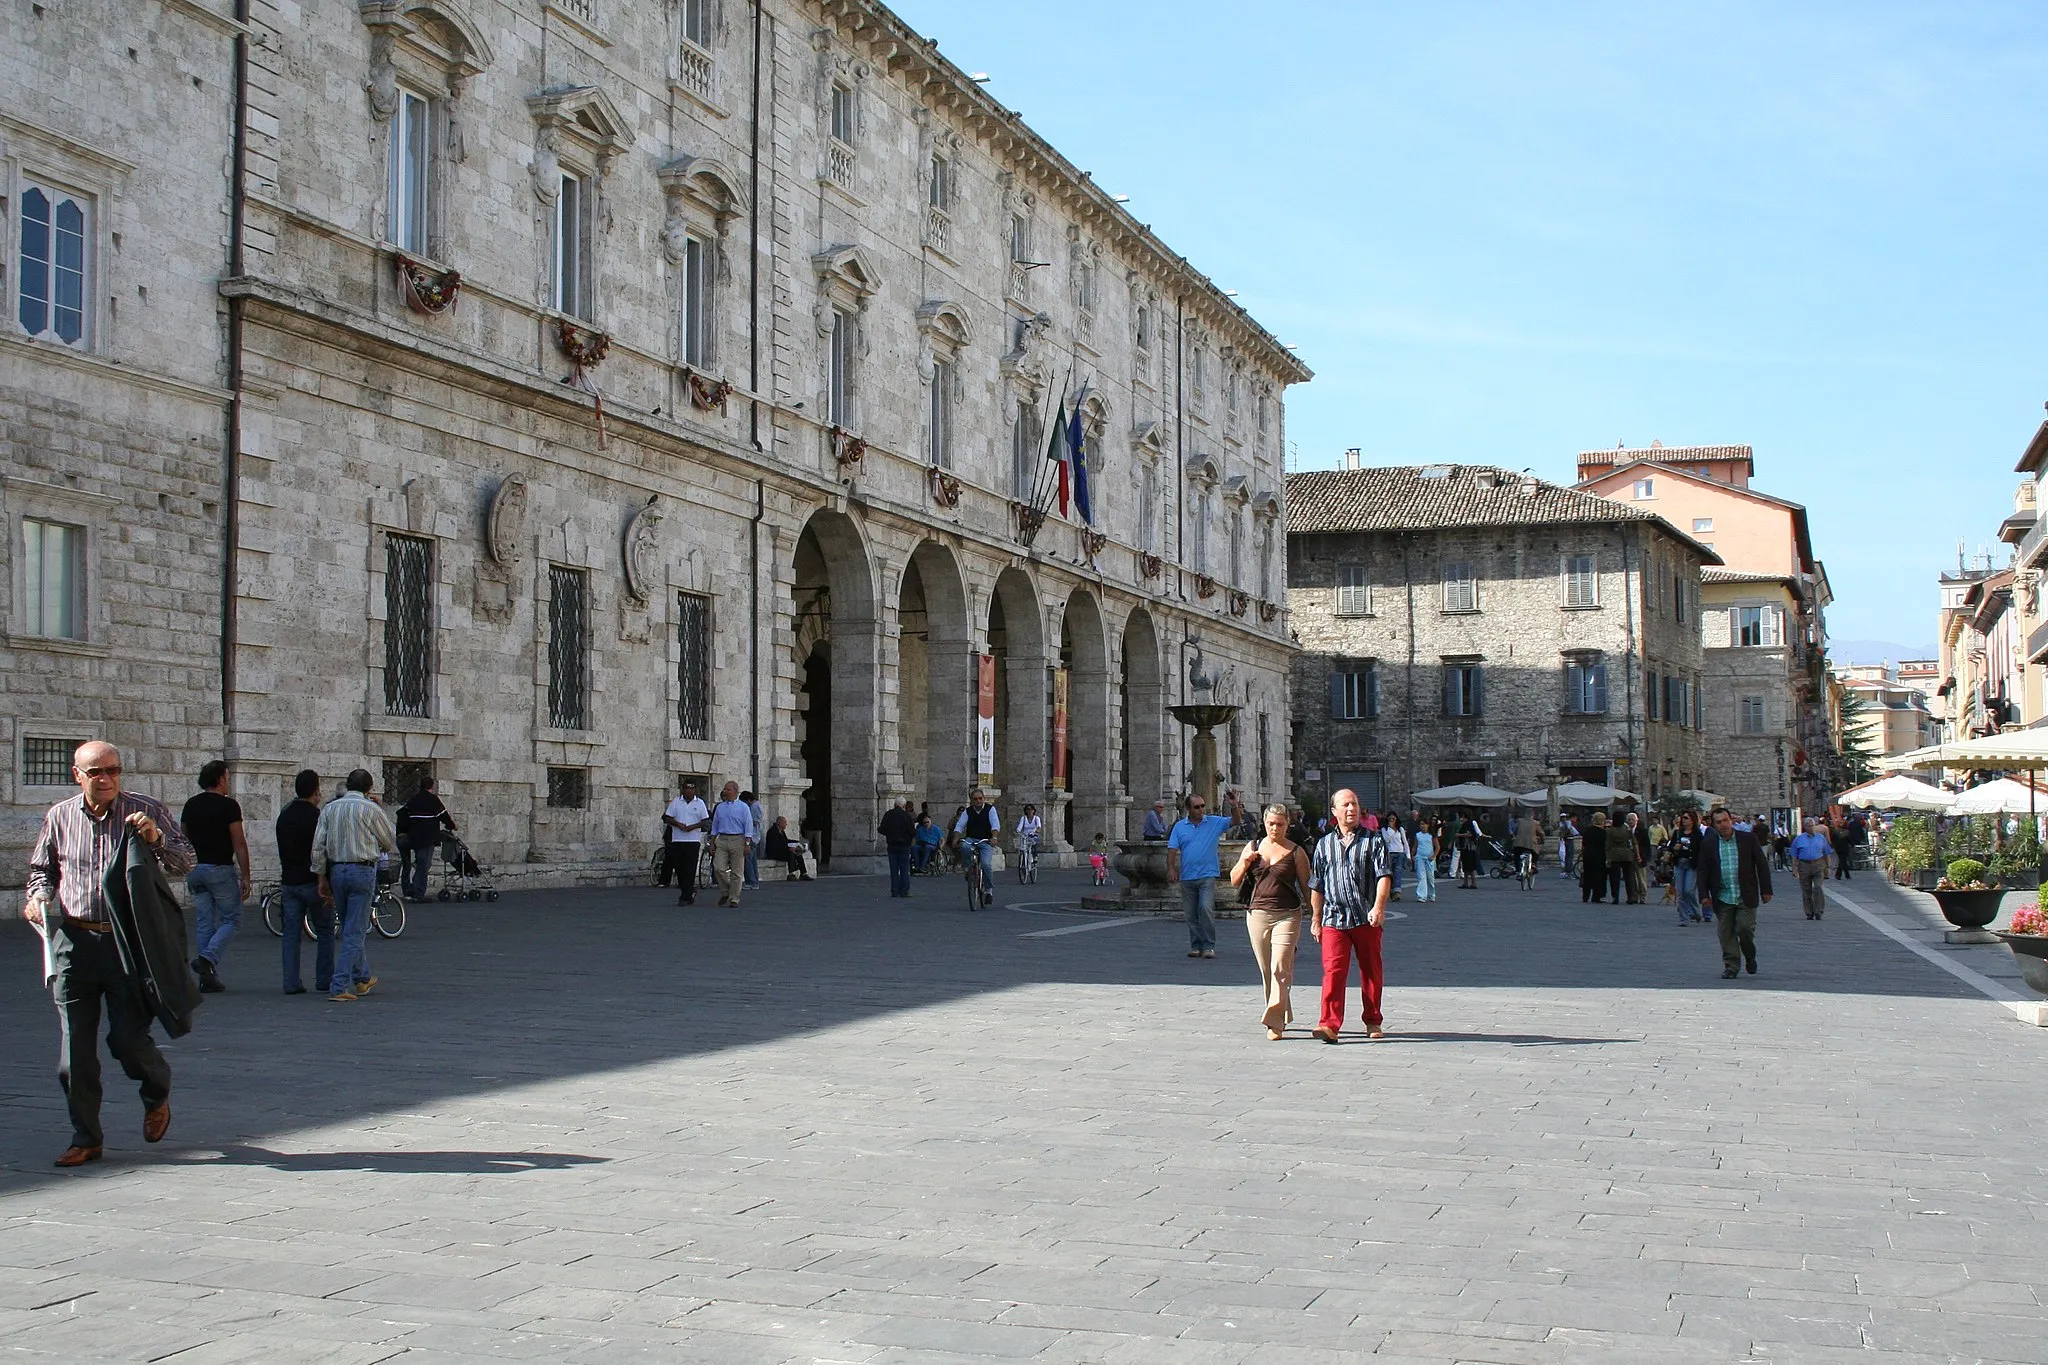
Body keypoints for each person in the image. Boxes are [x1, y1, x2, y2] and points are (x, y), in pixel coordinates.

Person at [24, 741, 195, 1167]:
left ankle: (156, 1091)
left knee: (127, 1040)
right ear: (76, 774)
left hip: (127, 944)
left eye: (113, 771)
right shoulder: (60, 817)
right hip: (74, 943)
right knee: (74, 1053)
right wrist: (39, 898)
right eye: (96, 772)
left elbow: (186, 861)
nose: (106, 780)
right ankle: (86, 1137)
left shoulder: (145, 810)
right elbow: (41, 871)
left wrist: (155, 840)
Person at [1308, 788, 1390, 1042]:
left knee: (1370, 970)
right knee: (1333, 970)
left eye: (1354, 803)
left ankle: (1373, 1020)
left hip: (1365, 917)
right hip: (1334, 918)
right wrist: (1315, 918)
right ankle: (1329, 1024)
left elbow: (1384, 876)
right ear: (1334, 812)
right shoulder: (1324, 844)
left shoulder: (1373, 841)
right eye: (1345, 805)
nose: (1351, 809)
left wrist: (1378, 907)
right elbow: (1317, 885)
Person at [311, 768, 396, 1002]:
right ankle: (339, 985)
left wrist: (320, 876)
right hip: (362, 869)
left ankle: (362, 977)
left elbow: (318, 846)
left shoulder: (330, 808)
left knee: (350, 925)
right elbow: (388, 840)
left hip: (338, 870)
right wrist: (381, 809)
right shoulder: (370, 809)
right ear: (369, 789)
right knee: (355, 931)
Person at [1230, 804, 1311, 1040]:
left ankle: (1274, 1023)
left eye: (1280, 824)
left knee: (1280, 967)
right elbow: (1234, 880)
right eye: (1271, 824)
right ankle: (1281, 1010)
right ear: (1265, 823)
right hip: (1257, 914)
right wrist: (1245, 861)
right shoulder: (1253, 847)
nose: (1275, 828)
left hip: (1288, 914)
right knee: (1267, 970)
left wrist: (1316, 915)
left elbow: (1307, 887)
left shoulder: (1296, 852)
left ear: (1288, 825)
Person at [180, 759, 249, 993]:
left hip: (195, 869)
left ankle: (207, 978)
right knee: (233, 919)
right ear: (220, 779)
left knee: (204, 922)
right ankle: (208, 958)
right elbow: (239, 843)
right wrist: (247, 876)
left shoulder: (191, 805)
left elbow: (183, 838)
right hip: (219, 868)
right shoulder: (229, 807)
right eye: (227, 778)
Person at [275, 768, 335, 994]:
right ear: (316, 791)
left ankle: (291, 981)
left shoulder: (285, 815)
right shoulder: (316, 817)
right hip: (312, 881)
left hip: (289, 881)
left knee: (291, 934)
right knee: (325, 930)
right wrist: (325, 881)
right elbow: (322, 851)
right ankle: (324, 979)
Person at [1696, 807, 1774, 978]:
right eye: (1718, 822)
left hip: (1745, 894)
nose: (1723, 825)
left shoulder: (1747, 839)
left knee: (1745, 929)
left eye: (1725, 820)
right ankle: (1731, 966)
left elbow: (1761, 865)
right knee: (1726, 933)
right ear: (1713, 825)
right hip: (1723, 896)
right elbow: (1702, 871)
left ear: (1730, 820)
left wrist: (1766, 890)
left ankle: (1750, 955)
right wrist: (1703, 895)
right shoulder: (1709, 844)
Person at [1167, 795, 1232, 958]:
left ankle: (1209, 945)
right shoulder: (1180, 827)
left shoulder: (1213, 822)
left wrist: (1234, 806)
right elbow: (1172, 849)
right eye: (1197, 807)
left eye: (1203, 806)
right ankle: (1196, 945)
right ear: (1188, 809)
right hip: (1187, 876)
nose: (1201, 809)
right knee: (1190, 913)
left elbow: (1235, 822)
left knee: (1205, 908)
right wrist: (1171, 868)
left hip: (1207, 874)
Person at [396, 777, 457, 902]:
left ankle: (407, 890)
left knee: (407, 865)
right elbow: (444, 816)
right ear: (432, 787)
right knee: (424, 865)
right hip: (426, 838)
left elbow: (402, 814)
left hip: (410, 836)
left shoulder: (413, 799)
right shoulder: (433, 800)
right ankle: (418, 893)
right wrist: (452, 825)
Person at [661, 779, 709, 903]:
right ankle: (688, 890)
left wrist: (692, 827)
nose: (689, 791)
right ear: (683, 789)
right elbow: (668, 817)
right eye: (687, 788)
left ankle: (685, 896)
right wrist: (678, 824)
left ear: (695, 790)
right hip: (677, 839)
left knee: (690, 867)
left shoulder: (699, 803)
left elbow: (705, 821)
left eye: (691, 788)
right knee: (678, 867)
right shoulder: (676, 802)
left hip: (693, 840)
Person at [953, 790, 1003, 907]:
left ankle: (989, 890)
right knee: (965, 846)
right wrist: (955, 838)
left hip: (985, 840)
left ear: (984, 798)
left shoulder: (990, 809)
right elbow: (960, 825)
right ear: (972, 801)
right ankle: (967, 869)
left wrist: (994, 837)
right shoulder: (968, 811)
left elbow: (995, 824)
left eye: (980, 798)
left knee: (986, 864)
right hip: (972, 838)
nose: (978, 801)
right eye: (975, 799)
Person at [709, 781, 755, 907]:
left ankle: (734, 898)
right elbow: (715, 825)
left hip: (738, 839)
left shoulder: (743, 807)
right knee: (718, 867)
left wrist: (747, 843)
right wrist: (712, 842)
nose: (725, 791)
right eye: (724, 789)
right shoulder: (720, 807)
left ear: (735, 791)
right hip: (722, 839)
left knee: (737, 871)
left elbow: (748, 826)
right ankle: (726, 891)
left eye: (728, 789)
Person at [1790, 816, 1833, 919]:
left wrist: (1828, 867)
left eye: (1813, 825)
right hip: (1804, 865)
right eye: (1809, 826)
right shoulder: (1799, 839)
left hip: (1818, 864)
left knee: (1818, 887)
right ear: (1805, 827)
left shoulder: (1820, 838)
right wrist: (1794, 868)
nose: (1812, 827)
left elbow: (1826, 853)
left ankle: (1819, 911)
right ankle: (1809, 912)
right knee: (1806, 889)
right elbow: (1794, 855)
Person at [1666, 810, 1704, 925]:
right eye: (1683, 818)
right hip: (1680, 864)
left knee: (1689, 891)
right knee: (1681, 892)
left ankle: (1696, 911)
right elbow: (1670, 847)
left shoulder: (1697, 834)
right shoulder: (1678, 833)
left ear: (1692, 820)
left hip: (1691, 865)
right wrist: (1674, 849)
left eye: (1686, 818)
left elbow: (1701, 850)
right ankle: (1684, 918)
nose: (1684, 820)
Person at [879, 798, 916, 898]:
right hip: (904, 846)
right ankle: (904, 891)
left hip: (892, 845)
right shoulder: (906, 816)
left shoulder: (888, 815)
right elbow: (912, 832)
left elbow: (881, 829)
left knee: (894, 870)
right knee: (904, 869)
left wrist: (889, 834)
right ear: (903, 806)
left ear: (894, 805)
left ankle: (894, 891)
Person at [1607, 810, 1641, 903]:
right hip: (1627, 854)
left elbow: (1608, 845)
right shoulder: (1627, 830)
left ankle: (1615, 897)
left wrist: (1607, 856)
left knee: (1614, 877)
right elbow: (1634, 842)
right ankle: (1630, 896)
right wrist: (1637, 855)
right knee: (1629, 877)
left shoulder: (1610, 831)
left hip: (1615, 855)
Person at [765, 815, 812, 880]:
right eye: (784, 822)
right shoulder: (772, 831)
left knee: (798, 853)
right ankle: (791, 874)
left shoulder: (781, 831)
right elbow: (776, 845)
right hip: (774, 853)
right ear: (779, 823)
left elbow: (786, 841)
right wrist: (788, 848)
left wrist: (797, 843)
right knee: (791, 853)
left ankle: (803, 873)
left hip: (781, 851)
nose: (786, 824)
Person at [1580, 811, 1610, 904]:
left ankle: (1585, 896)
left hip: (1588, 855)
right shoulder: (1603, 833)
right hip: (1599, 856)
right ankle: (1596, 896)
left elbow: (1584, 843)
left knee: (1587, 876)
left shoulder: (1587, 831)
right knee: (1599, 877)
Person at [1382, 812, 1409, 902]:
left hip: (1399, 852)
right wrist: (1390, 828)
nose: (1392, 820)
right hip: (1389, 853)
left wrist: (1408, 855)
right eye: (1390, 819)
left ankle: (1396, 892)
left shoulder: (1400, 829)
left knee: (1397, 872)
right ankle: (1390, 890)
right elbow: (1387, 840)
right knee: (1389, 873)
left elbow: (1405, 842)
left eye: (1393, 819)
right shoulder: (1384, 829)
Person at [743, 790, 767, 889]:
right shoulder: (758, 805)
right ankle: (755, 881)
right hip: (755, 836)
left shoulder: (753, 807)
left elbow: (753, 822)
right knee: (752, 860)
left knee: (747, 860)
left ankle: (751, 881)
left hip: (752, 836)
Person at [1511, 810, 1541, 885]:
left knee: (1517, 856)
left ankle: (1518, 872)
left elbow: (1515, 830)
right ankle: (1533, 865)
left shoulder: (1519, 821)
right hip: (1530, 844)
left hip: (1519, 843)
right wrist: (1542, 839)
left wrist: (1515, 835)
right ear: (1532, 815)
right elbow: (1541, 833)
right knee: (1536, 853)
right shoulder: (1535, 823)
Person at [1455, 811, 1484, 889]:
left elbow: (1470, 834)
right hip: (1467, 848)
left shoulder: (1468, 824)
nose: (1461, 819)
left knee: (1469, 866)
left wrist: (1459, 835)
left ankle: (1472, 883)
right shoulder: (1469, 823)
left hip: (1468, 847)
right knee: (1466, 866)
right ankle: (1466, 883)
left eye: (1462, 817)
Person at [1411, 818, 1438, 903]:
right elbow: (1415, 846)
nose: (1422, 826)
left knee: (1430, 877)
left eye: (1424, 824)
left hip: (1429, 858)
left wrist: (1433, 856)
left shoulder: (1431, 835)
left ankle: (1431, 894)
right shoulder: (1418, 835)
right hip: (1420, 857)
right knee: (1421, 876)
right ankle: (1421, 896)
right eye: (1421, 824)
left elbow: (1437, 847)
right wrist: (1412, 855)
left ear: (1428, 825)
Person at [1016, 803, 1044, 877]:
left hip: (1033, 834)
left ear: (1034, 810)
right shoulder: (1023, 818)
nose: (1029, 811)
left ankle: (1034, 856)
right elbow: (1019, 827)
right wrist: (1018, 831)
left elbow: (1038, 827)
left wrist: (1035, 831)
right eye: (1027, 809)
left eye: (1031, 809)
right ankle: (1023, 862)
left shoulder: (1036, 818)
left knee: (1033, 844)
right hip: (1025, 835)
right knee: (1023, 848)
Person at [1557, 813, 1579, 878]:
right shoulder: (1567, 823)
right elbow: (1569, 830)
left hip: (1565, 840)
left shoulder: (1561, 824)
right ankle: (1569, 871)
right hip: (1569, 839)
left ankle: (1567, 871)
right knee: (1570, 856)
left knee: (1567, 856)